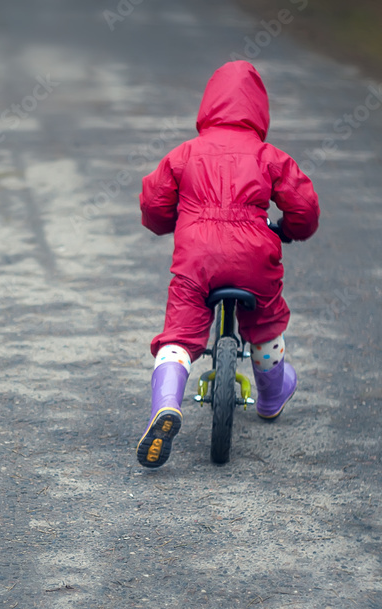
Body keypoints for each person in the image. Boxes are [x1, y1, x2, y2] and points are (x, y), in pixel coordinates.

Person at [136, 60, 320, 469]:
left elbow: (153, 203)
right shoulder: (267, 155)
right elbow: (304, 206)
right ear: (259, 111)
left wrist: (171, 222)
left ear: (209, 105)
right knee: (267, 323)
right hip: (255, 256)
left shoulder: (186, 153)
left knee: (179, 336)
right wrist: (289, 229)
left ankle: (165, 406)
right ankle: (272, 394)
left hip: (196, 258)